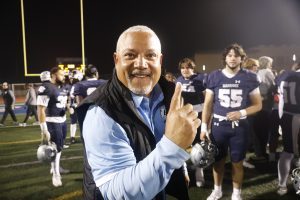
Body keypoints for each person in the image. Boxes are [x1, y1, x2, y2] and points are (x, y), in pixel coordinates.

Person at [77, 25, 200, 200]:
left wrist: (181, 168)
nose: (141, 64)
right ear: (116, 59)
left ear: (160, 60)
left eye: (150, 55)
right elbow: (117, 193)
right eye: (131, 55)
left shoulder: (168, 94)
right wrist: (173, 147)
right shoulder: (101, 112)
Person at [200, 43, 262, 200]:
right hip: (219, 125)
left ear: (242, 58)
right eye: (230, 55)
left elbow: (258, 105)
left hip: (239, 127)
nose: (233, 58)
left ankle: (236, 194)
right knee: (218, 161)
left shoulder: (250, 76)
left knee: (237, 162)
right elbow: (207, 105)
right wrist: (203, 127)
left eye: (236, 56)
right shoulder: (214, 76)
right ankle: (217, 190)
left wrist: (241, 113)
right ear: (225, 58)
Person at [176, 57, 207, 187]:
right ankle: (185, 172)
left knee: (199, 143)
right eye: (183, 68)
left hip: (198, 114)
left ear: (192, 68)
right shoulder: (179, 80)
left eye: (188, 67)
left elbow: (207, 99)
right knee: (184, 143)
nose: (185, 70)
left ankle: (199, 172)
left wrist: (206, 118)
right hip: (184, 115)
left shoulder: (200, 79)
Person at [37, 68, 69, 187]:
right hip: (52, 122)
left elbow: (62, 103)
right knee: (56, 148)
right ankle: (56, 175)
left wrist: (68, 108)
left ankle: (55, 168)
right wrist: (44, 129)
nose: (64, 76)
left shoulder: (62, 87)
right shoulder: (47, 87)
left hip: (62, 120)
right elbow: (40, 109)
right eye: (61, 74)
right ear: (54, 75)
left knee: (59, 147)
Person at [276, 62, 300, 196]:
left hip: (287, 116)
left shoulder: (284, 76)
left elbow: (281, 101)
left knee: (287, 152)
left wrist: (281, 120)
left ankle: (282, 185)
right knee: (290, 152)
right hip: (295, 115)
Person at [251, 56, 276, 161]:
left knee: (257, 130)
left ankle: (258, 152)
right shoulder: (267, 72)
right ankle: (263, 152)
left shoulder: (257, 72)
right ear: (267, 63)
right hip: (265, 104)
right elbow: (274, 85)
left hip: (256, 103)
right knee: (265, 130)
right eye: (270, 62)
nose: (271, 64)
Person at [68, 70, 83, 144]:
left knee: (83, 122)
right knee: (73, 121)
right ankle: (72, 137)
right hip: (75, 106)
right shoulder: (71, 86)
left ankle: (84, 136)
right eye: (70, 78)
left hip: (82, 106)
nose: (71, 79)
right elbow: (71, 97)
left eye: (72, 78)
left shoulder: (83, 85)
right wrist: (70, 105)